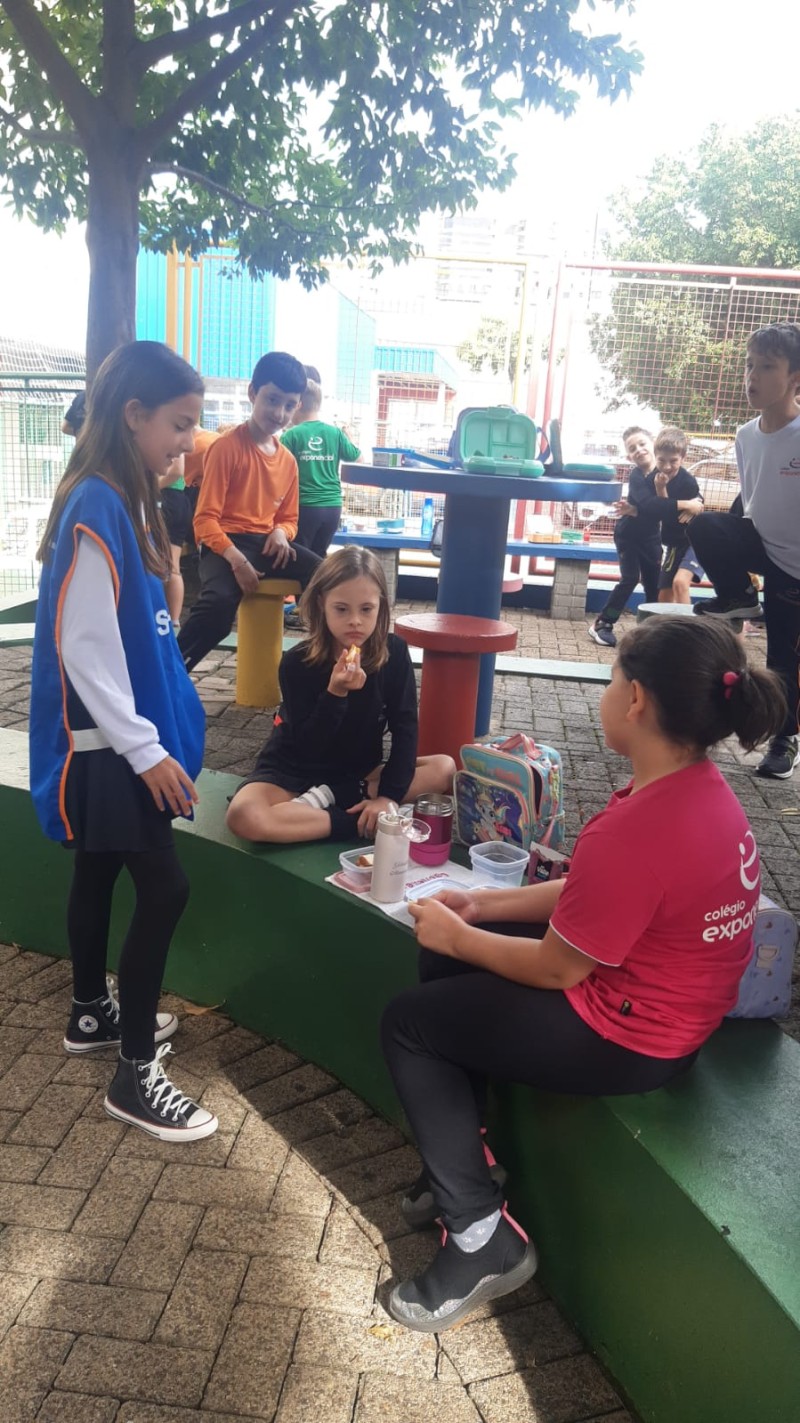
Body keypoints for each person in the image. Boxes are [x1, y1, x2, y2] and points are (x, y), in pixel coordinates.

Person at [380, 615, 784, 1332]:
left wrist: (462, 934)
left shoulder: (638, 828)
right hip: (664, 1006)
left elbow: (560, 968)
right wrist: (481, 905)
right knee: (443, 953)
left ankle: (480, 1237)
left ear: (636, 699)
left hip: (632, 1038)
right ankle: (464, 1163)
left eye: (612, 679)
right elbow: (595, 896)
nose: (607, 693)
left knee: (409, 1024)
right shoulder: (692, 788)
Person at [30, 340, 218, 1143]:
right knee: (165, 890)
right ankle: (135, 1074)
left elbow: (135, 623)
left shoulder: (119, 498)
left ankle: (89, 1012)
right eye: (179, 423)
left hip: (112, 739)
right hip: (108, 746)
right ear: (134, 414)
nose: (187, 441)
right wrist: (146, 750)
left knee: (100, 870)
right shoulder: (98, 503)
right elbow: (85, 645)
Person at [226, 546, 456, 843]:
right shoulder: (297, 662)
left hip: (358, 774)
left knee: (444, 768)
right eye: (342, 609)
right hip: (295, 772)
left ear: (380, 606)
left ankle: (331, 802)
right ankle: (361, 823)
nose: (355, 621)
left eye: (366, 609)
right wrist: (335, 694)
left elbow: (405, 728)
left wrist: (387, 796)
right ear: (321, 604)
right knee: (244, 816)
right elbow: (307, 749)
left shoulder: (394, 653)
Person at [688, 322, 800, 779]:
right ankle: (739, 598)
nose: (752, 376)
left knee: (783, 659)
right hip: (765, 546)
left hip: (795, 569)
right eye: (749, 365)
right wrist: (725, 550)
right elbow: (749, 499)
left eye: (767, 367)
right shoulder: (745, 435)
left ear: (794, 379)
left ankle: (784, 740)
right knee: (704, 524)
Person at [177, 352, 322, 671]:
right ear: (253, 393)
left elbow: (289, 519)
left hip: (267, 545)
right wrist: (236, 560)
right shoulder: (226, 448)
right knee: (218, 605)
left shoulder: (288, 461)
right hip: (223, 545)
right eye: (272, 400)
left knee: (327, 576)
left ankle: (324, 661)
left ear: (298, 406)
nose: (279, 413)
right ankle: (170, 669)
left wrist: (281, 533)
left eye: (289, 405)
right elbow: (205, 520)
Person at [589, 426, 661, 647]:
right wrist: (639, 511)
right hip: (628, 535)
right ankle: (603, 622)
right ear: (629, 456)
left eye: (642, 444)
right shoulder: (637, 476)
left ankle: (653, 628)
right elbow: (650, 504)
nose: (639, 450)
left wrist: (692, 502)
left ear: (653, 443)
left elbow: (665, 503)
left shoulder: (665, 472)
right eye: (632, 448)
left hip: (651, 537)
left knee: (654, 582)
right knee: (630, 578)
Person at [281, 379, 361, 558]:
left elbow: (277, 471)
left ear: (299, 404)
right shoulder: (335, 433)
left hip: (305, 507)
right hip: (333, 508)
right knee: (319, 558)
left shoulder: (291, 435)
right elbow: (358, 458)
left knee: (298, 559)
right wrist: (348, 438)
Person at [650, 426, 705, 603]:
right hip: (674, 543)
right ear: (655, 457)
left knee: (680, 583)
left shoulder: (687, 482)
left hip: (695, 541)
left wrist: (697, 504)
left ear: (683, 458)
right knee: (664, 597)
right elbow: (659, 509)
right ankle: (668, 623)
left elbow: (668, 514)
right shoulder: (652, 478)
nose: (667, 466)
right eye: (661, 460)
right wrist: (661, 489)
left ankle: (687, 623)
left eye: (673, 461)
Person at [158, 454, 191, 633]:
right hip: (177, 499)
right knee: (171, 564)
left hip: (167, 498)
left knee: (167, 564)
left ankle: (171, 618)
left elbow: (176, 471)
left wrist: (149, 487)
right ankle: (173, 619)